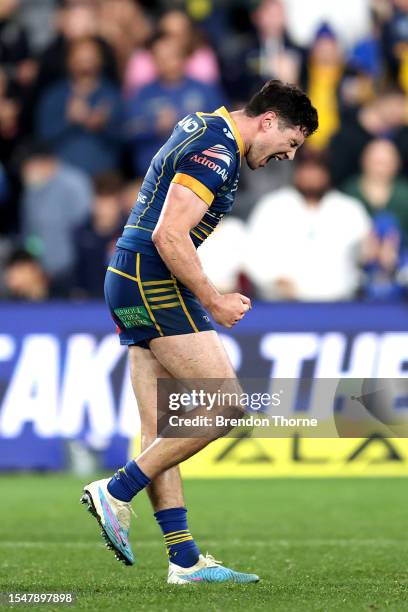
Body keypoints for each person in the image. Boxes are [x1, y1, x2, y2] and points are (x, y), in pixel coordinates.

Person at [80, 79, 318, 583]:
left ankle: (183, 559)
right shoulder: (217, 149)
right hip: (152, 276)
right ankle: (116, 491)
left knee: (157, 428)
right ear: (268, 120)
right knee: (226, 403)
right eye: (291, 143)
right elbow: (170, 233)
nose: (289, 157)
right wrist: (215, 298)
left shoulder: (207, 126)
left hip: (130, 275)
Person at [245, 155, 372, 301]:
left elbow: (365, 255)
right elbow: (252, 252)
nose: (311, 176)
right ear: (296, 173)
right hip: (283, 305)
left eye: (316, 170)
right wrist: (271, 280)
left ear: (327, 174)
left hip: (340, 303)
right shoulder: (272, 206)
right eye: (306, 170)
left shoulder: (349, 208)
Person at [124, 32, 225, 176]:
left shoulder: (205, 90)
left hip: (199, 176)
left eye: (173, 56)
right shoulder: (142, 94)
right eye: (161, 58)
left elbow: (223, 128)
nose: (168, 62)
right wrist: (154, 126)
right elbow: (128, 131)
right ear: (154, 61)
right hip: (152, 177)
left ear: (184, 57)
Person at [36, 37, 123, 177]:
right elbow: (43, 136)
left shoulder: (112, 94)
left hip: (104, 178)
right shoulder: (54, 95)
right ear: (68, 60)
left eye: (90, 56)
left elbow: (125, 137)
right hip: (62, 176)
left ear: (101, 60)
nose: (85, 61)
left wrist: (102, 126)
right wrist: (69, 120)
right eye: (79, 56)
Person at [20, 142, 92, 283]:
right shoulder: (32, 188)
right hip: (42, 272)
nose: (25, 171)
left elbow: (84, 227)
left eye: (30, 166)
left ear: (46, 162)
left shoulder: (74, 183)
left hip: (75, 270)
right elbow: (30, 231)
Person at [73, 172, 124, 298]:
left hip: (122, 302)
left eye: (109, 203)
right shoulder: (81, 231)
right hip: (87, 302)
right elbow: (77, 268)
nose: (104, 209)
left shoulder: (130, 233)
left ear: (118, 203)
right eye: (100, 201)